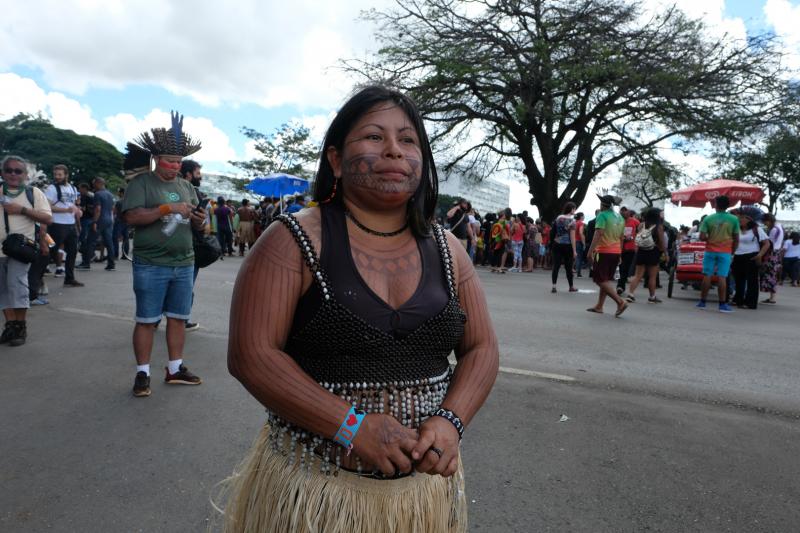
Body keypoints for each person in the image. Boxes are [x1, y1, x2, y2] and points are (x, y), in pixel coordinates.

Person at [223, 86, 499, 532]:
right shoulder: (291, 241)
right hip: (313, 495)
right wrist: (350, 426)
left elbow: (482, 347)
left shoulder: (449, 248)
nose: (394, 149)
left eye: (408, 141)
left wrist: (451, 421)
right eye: (374, 137)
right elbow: (252, 355)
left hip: (419, 502)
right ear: (335, 160)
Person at [121, 112, 207, 397]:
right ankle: (142, 373)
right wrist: (167, 209)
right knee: (146, 320)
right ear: (158, 159)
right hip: (151, 264)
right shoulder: (142, 184)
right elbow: (132, 217)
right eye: (170, 161)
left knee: (179, 318)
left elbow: (199, 222)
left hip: (184, 262)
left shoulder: (186, 186)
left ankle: (174, 368)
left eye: (179, 162)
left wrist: (198, 219)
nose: (174, 166)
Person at [0, 156, 53, 346]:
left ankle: (20, 327)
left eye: (18, 171)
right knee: (2, 290)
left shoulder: (33, 193)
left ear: (25, 174)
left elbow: (47, 218)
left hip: (20, 249)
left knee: (17, 287)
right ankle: (10, 326)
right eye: (9, 170)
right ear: (2, 172)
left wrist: (21, 210)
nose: (13, 174)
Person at [586, 194, 627, 317]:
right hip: (615, 252)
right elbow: (621, 238)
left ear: (602, 204)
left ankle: (620, 302)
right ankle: (599, 306)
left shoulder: (602, 215)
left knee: (599, 279)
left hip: (603, 251)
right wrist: (620, 252)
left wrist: (590, 251)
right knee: (605, 279)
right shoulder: (620, 218)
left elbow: (598, 233)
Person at [696, 196, 739, 312]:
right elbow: (736, 238)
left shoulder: (708, 219)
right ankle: (722, 304)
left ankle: (702, 302)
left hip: (710, 250)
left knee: (707, 275)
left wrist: (710, 238)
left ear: (716, 204)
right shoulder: (734, 219)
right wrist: (732, 252)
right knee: (722, 277)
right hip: (725, 252)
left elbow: (702, 237)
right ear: (728, 206)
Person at [44, 164, 83, 286]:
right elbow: (47, 206)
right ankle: (37, 279)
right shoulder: (51, 188)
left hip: (71, 225)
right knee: (50, 250)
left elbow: (73, 204)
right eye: (55, 174)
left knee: (72, 252)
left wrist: (78, 212)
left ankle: (69, 278)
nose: (57, 177)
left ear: (66, 175)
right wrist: (65, 211)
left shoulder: (72, 188)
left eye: (60, 174)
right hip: (56, 225)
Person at [731, 206, 770, 310]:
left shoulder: (757, 229)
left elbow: (767, 243)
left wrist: (760, 255)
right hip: (737, 256)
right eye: (740, 218)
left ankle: (750, 303)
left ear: (749, 220)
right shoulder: (736, 229)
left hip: (751, 256)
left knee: (752, 281)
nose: (740, 220)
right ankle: (738, 299)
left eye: (743, 218)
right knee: (739, 280)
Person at [625, 208, 666, 303]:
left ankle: (630, 294)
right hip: (653, 252)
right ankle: (652, 297)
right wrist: (665, 253)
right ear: (656, 215)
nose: (661, 215)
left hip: (641, 251)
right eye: (660, 214)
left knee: (638, 275)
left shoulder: (641, 225)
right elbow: (661, 241)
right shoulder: (658, 226)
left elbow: (638, 237)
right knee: (652, 276)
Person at [84, 178, 116, 271]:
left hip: (100, 220)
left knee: (90, 241)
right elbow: (112, 208)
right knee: (109, 242)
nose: (93, 186)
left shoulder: (97, 194)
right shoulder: (110, 194)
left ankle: (86, 263)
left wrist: (94, 222)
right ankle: (111, 264)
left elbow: (98, 209)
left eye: (94, 184)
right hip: (108, 219)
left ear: (98, 184)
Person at [550, 202, 578, 293]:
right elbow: (572, 237)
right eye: (574, 208)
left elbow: (553, 232)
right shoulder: (572, 221)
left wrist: (552, 243)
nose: (575, 210)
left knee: (556, 266)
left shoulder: (558, 218)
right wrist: (574, 251)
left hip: (557, 244)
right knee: (568, 267)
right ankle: (571, 286)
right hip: (567, 246)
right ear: (571, 209)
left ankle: (554, 286)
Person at [759, 213, 784, 304]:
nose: (765, 224)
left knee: (770, 274)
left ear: (768, 220)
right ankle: (772, 297)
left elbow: (769, 243)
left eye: (765, 222)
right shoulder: (780, 227)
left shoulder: (774, 229)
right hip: (777, 253)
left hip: (772, 253)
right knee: (773, 274)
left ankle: (772, 297)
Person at [617, 207, 639, 295]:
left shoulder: (635, 222)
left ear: (629, 212)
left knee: (625, 268)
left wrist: (632, 237)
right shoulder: (617, 221)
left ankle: (620, 286)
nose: (623, 212)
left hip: (630, 248)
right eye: (622, 211)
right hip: (618, 248)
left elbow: (641, 232)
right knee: (620, 268)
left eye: (625, 211)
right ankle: (620, 285)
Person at [76, 183, 95, 269]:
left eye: (80, 188)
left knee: (83, 241)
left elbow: (82, 209)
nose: (79, 190)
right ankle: (89, 256)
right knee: (86, 241)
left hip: (85, 220)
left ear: (84, 188)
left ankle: (85, 261)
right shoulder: (91, 197)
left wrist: (77, 206)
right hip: (90, 220)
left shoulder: (84, 197)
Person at [574, 212, 586, 277]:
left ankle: (574, 270)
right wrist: (584, 243)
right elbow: (581, 233)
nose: (584, 217)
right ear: (581, 216)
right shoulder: (581, 223)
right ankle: (578, 272)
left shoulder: (575, 223)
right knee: (579, 257)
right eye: (583, 216)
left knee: (576, 257)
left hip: (574, 241)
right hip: (579, 241)